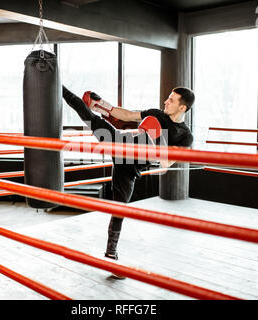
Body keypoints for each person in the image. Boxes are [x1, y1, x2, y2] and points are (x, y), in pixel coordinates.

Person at [62, 85, 194, 278]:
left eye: (172, 100)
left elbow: (166, 163)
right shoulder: (156, 114)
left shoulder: (185, 136)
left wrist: (157, 139)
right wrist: (109, 108)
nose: (166, 101)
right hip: (120, 144)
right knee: (89, 117)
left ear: (183, 108)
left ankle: (110, 254)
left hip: (129, 169)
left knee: (119, 211)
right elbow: (129, 115)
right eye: (168, 97)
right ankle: (59, 86)